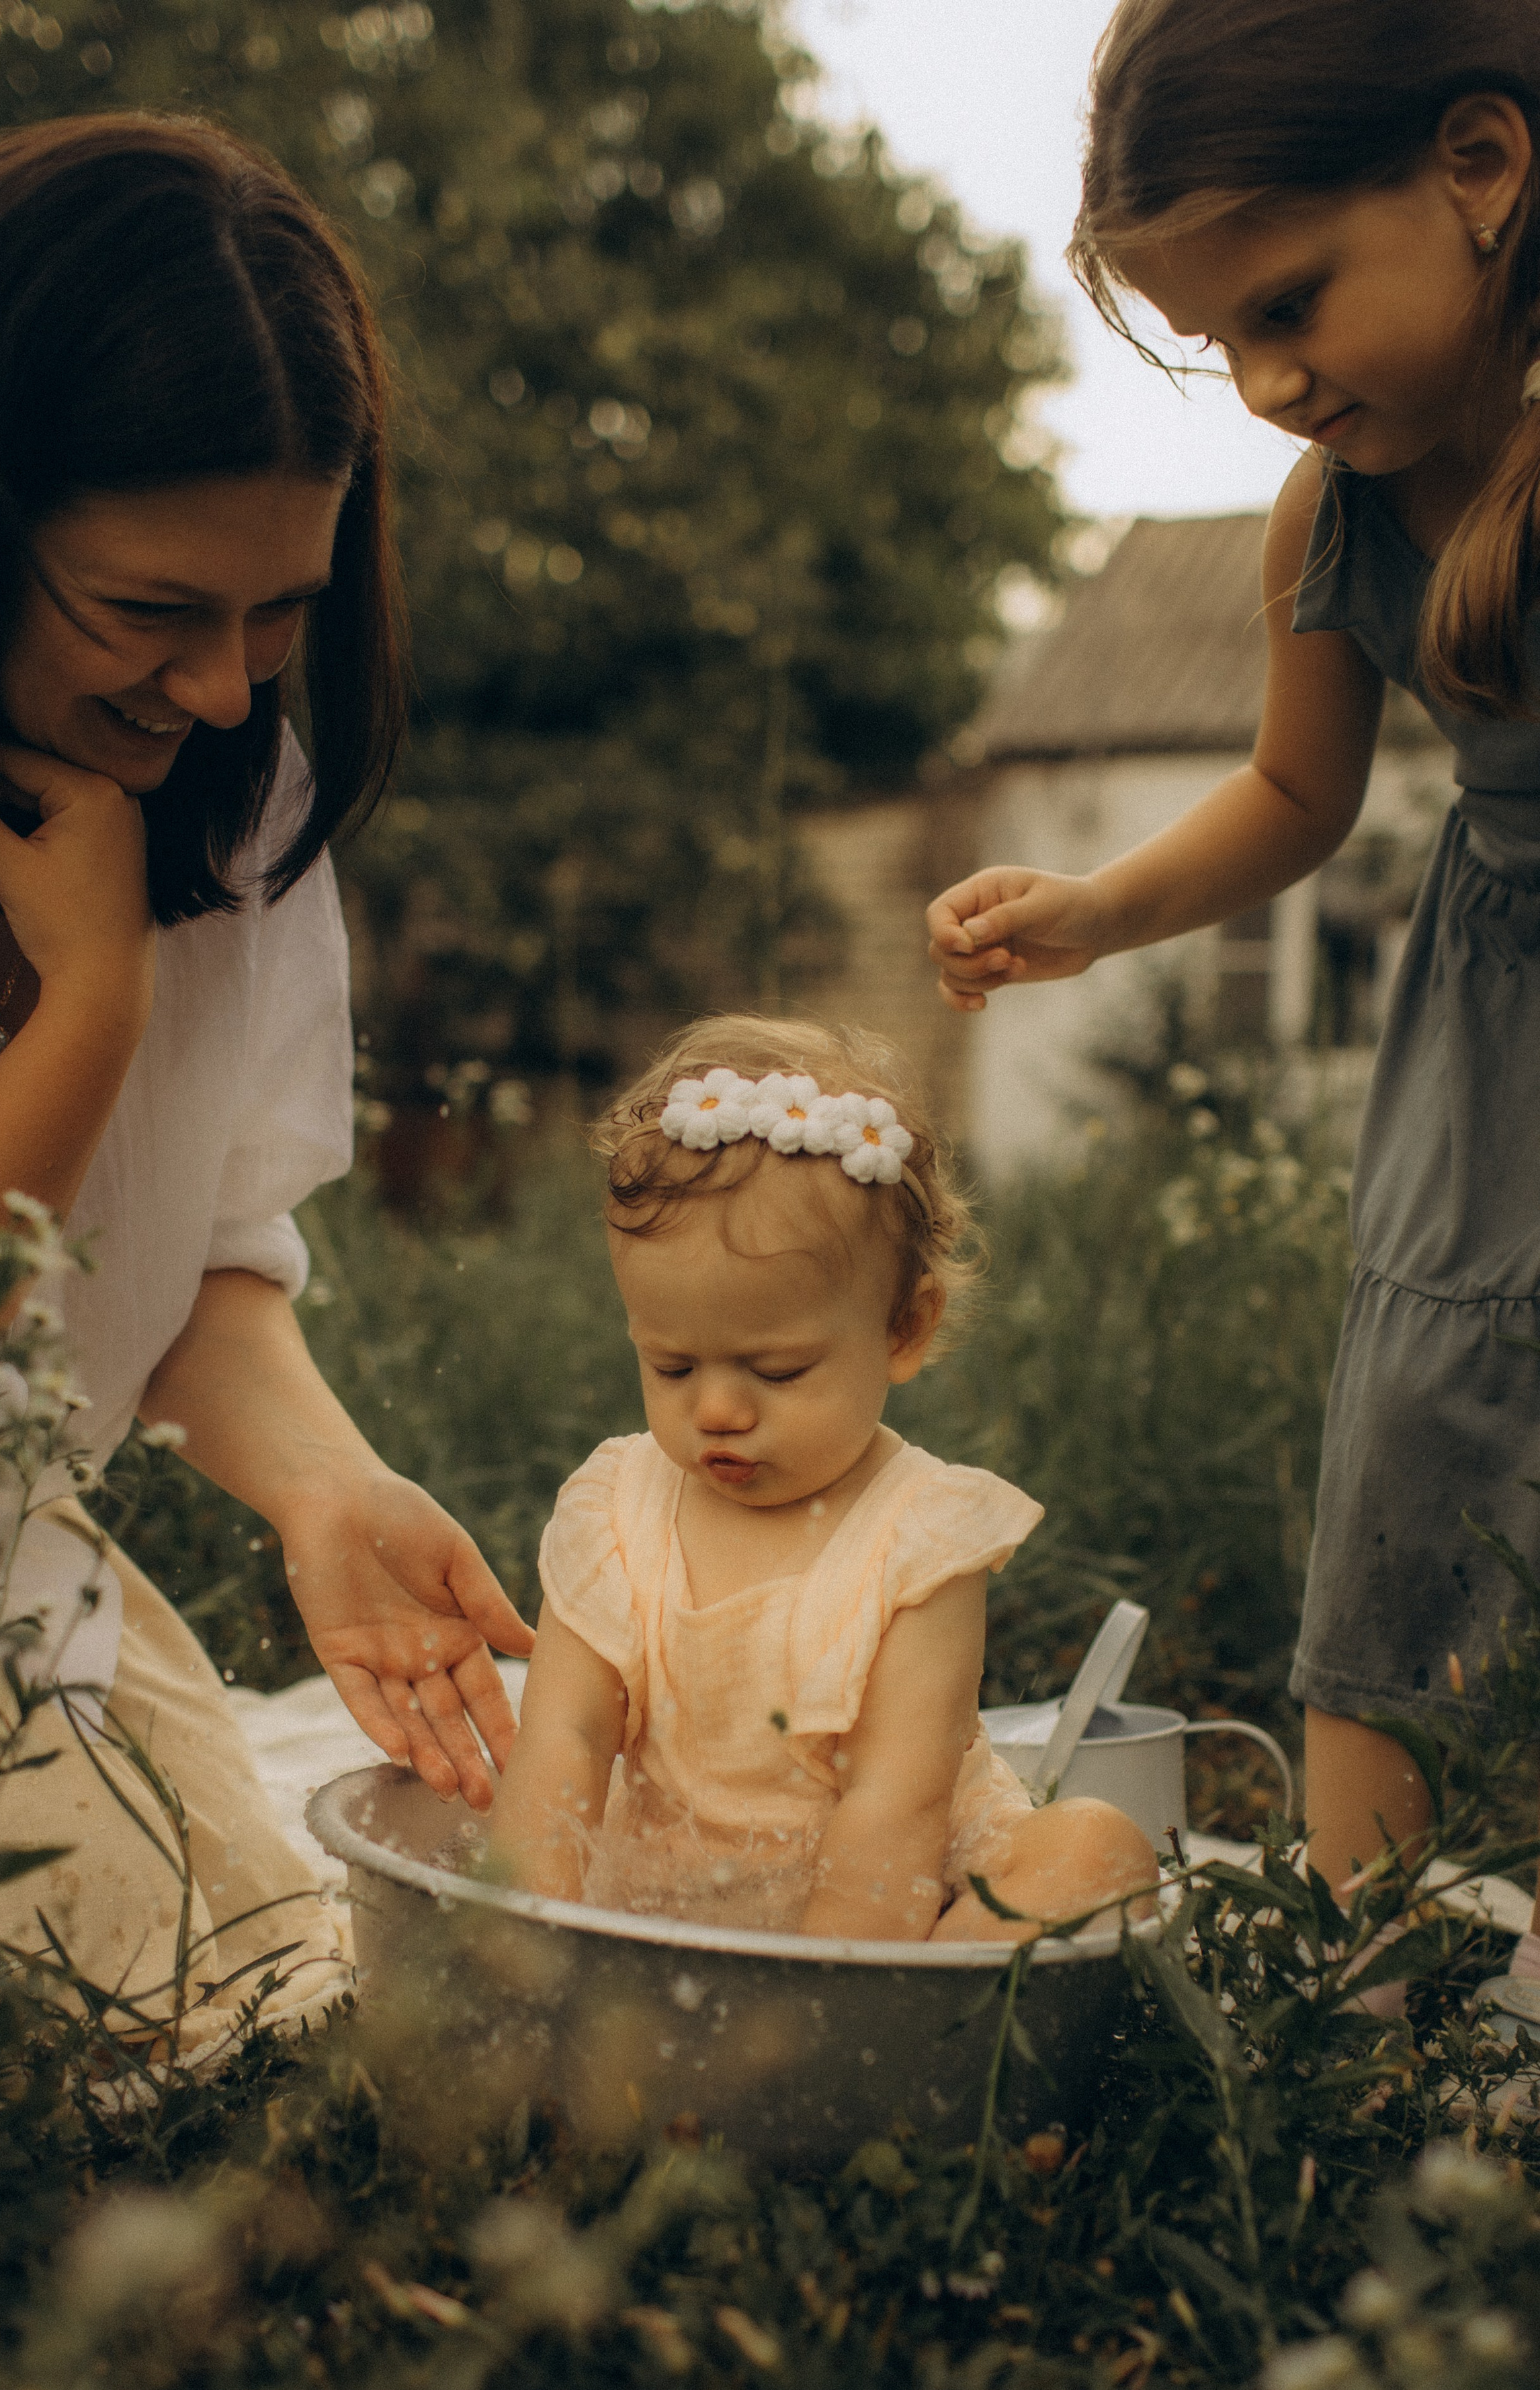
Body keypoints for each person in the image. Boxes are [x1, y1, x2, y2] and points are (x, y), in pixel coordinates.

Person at [0, 116, 533, 2049]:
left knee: (268, 1972)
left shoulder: (229, 784)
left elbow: (200, 1254)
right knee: (27, 2030)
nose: (223, 690)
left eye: (281, 612)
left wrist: (327, 1491)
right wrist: (90, 1007)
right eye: (149, 611)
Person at [925, 0, 1540, 2059]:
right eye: (1221, 345)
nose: (1270, 382)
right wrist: (1099, 910)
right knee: (1421, 1424)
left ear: (1483, 167)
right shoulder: (1331, 518)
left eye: (1289, 303)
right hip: (1495, 1013)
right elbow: (1296, 798)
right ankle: (1362, 1979)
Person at [488, 1015, 1156, 1942]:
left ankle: (905, 2025)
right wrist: (523, 1939)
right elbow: (561, 1746)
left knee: (1097, 1851)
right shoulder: (618, 1512)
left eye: (777, 1371)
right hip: (666, 1907)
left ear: (904, 1330)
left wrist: (823, 1996)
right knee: (510, 1848)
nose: (717, 1409)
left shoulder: (921, 1540)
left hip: (893, 1909)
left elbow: (898, 1804)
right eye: (673, 1367)